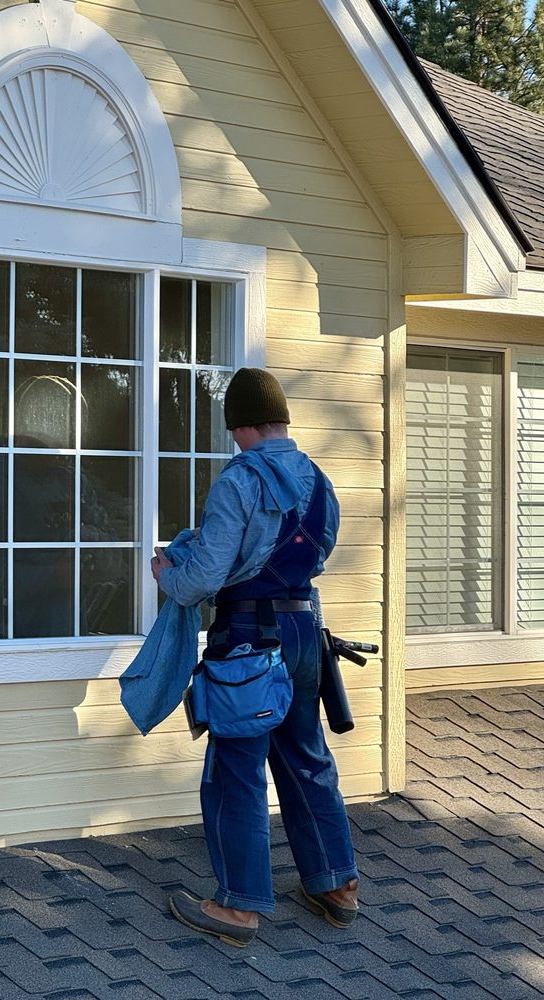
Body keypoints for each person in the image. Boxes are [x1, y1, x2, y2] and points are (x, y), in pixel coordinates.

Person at [150, 367, 359, 948]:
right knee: (305, 757)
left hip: (247, 636)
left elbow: (204, 578)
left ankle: (238, 907)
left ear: (239, 424)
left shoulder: (239, 480)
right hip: (304, 631)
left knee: (236, 768)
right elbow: (320, 554)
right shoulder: (318, 478)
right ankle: (337, 885)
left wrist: (167, 574)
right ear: (282, 420)